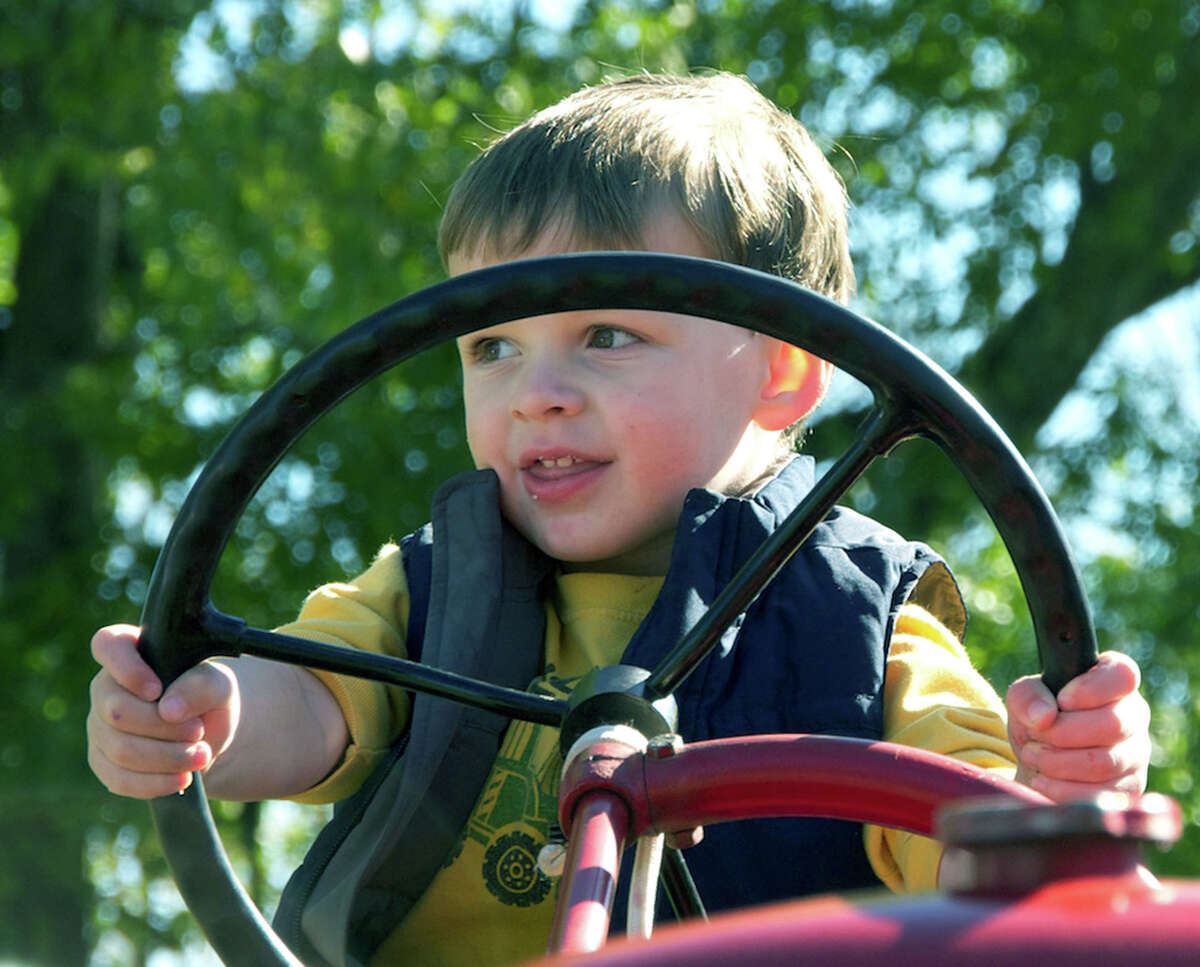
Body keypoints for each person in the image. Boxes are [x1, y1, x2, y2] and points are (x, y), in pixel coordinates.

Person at [87, 72, 1150, 966]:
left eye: (605, 334)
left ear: (779, 368)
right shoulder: (430, 586)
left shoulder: (857, 620)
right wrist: (205, 713)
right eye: (489, 346)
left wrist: (1058, 788)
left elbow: (968, 835)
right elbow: (312, 702)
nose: (533, 391)